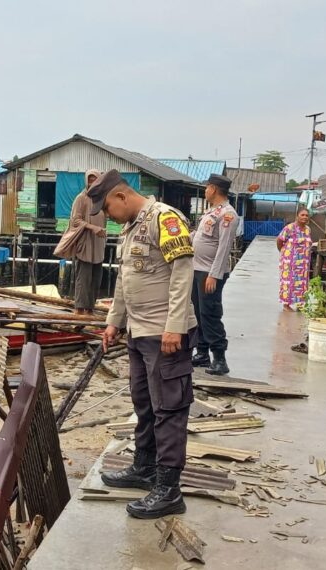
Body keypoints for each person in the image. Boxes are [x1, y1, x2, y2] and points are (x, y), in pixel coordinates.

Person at [89, 169, 197, 519]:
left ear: (121, 196)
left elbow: (182, 271)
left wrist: (175, 326)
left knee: (168, 409)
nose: (107, 216)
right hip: (139, 331)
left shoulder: (164, 218)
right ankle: (144, 467)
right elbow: (125, 278)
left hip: (165, 333)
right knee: (145, 404)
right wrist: (114, 322)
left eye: (107, 208)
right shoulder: (131, 227)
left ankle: (168, 489)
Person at [190, 174, 239, 375]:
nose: (205, 191)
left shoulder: (228, 215)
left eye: (207, 187)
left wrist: (214, 274)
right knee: (198, 312)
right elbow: (200, 236)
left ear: (214, 189)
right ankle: (202, 352)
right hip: (197, 268)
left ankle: (219, 358)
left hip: (210, 273)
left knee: (210, 313)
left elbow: (224, 247)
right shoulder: (211, 212)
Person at [68, 169, 106, 315]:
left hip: (98, 244)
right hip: (85, 243)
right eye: (90, 179)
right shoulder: (81, 198)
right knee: (83, 278)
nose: (92, 182)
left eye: (95, 179)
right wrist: (92, 227)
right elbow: (75, 220)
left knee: (96, 280)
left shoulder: (101, 198)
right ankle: (79, 309)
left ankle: (90, 309)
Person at [277, 207, 313, 310]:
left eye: (306, 215)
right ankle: (286, 304)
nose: (305, 217)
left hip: (303, 263)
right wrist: (284, 253)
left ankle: (300, 304)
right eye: (302, 215)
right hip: (290, 262)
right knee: (288, 282)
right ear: (297, 216)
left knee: (302, 283)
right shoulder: (289, 228)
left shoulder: (308, 229)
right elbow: (280, 240)